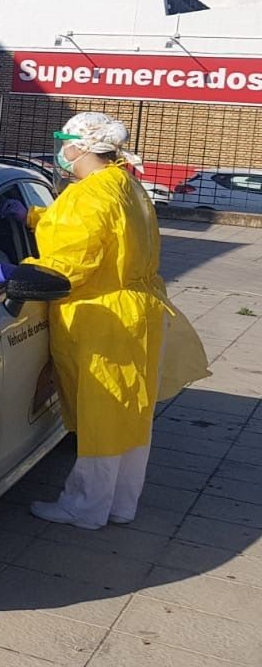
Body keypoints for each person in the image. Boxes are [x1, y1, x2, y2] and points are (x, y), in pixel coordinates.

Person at [21, 112, 209, 528]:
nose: (61, 150)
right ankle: (121, 504)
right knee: (129, 415)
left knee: (101, 415)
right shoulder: (125, 185)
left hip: (102, 316)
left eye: (64, 141)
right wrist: (35, 218)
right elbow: (94, 233)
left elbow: (70, 262)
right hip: (138, 313)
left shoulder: (88, 195)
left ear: (81, 146)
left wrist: (20, 271)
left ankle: (84, 507)